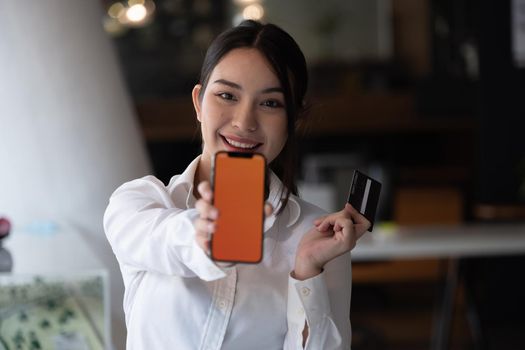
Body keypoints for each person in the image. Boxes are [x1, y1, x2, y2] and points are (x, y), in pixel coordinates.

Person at [104, 20, 371, 350]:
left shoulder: (315, 236)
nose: (244, 122)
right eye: (227, 95)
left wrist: (307, 271)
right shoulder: (141, 203)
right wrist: (203, 235)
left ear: (294, 119)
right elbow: (164, 240)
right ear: (199, 102)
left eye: (270, 103)